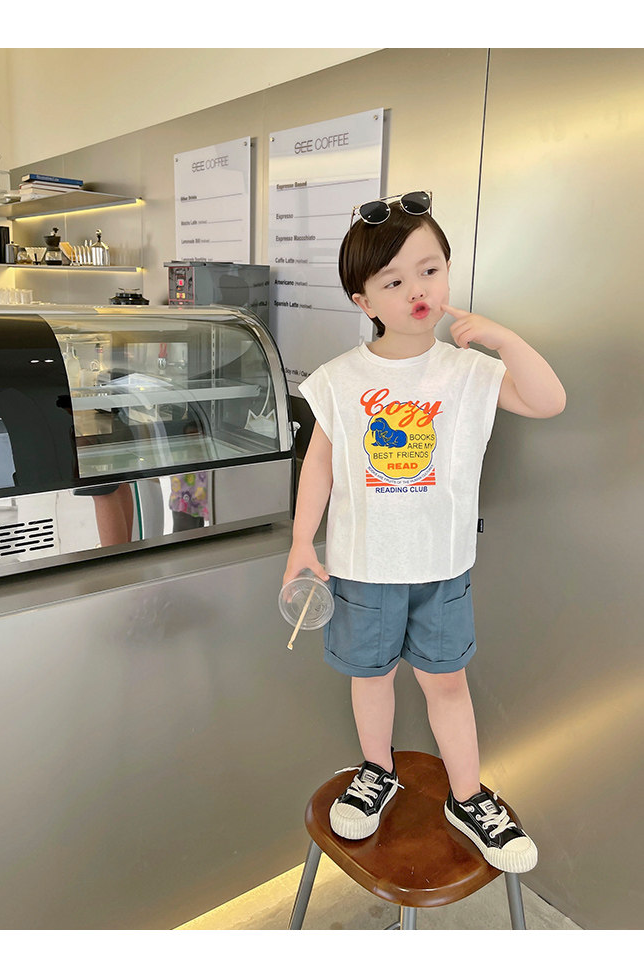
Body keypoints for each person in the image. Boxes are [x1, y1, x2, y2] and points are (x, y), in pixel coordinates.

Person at [282, 191, 566, 872]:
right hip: (361, 566)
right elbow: (319, 466)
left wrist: (504, 339)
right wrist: (300, 545)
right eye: (394, 281)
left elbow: (548, 400)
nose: (417, 290)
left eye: (430, 270)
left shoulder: (471, 372)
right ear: (363, 300)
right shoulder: (340, 380)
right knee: (371, 679)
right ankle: (375, 772)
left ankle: (467, 797)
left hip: (442, 565)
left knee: (447, 685)